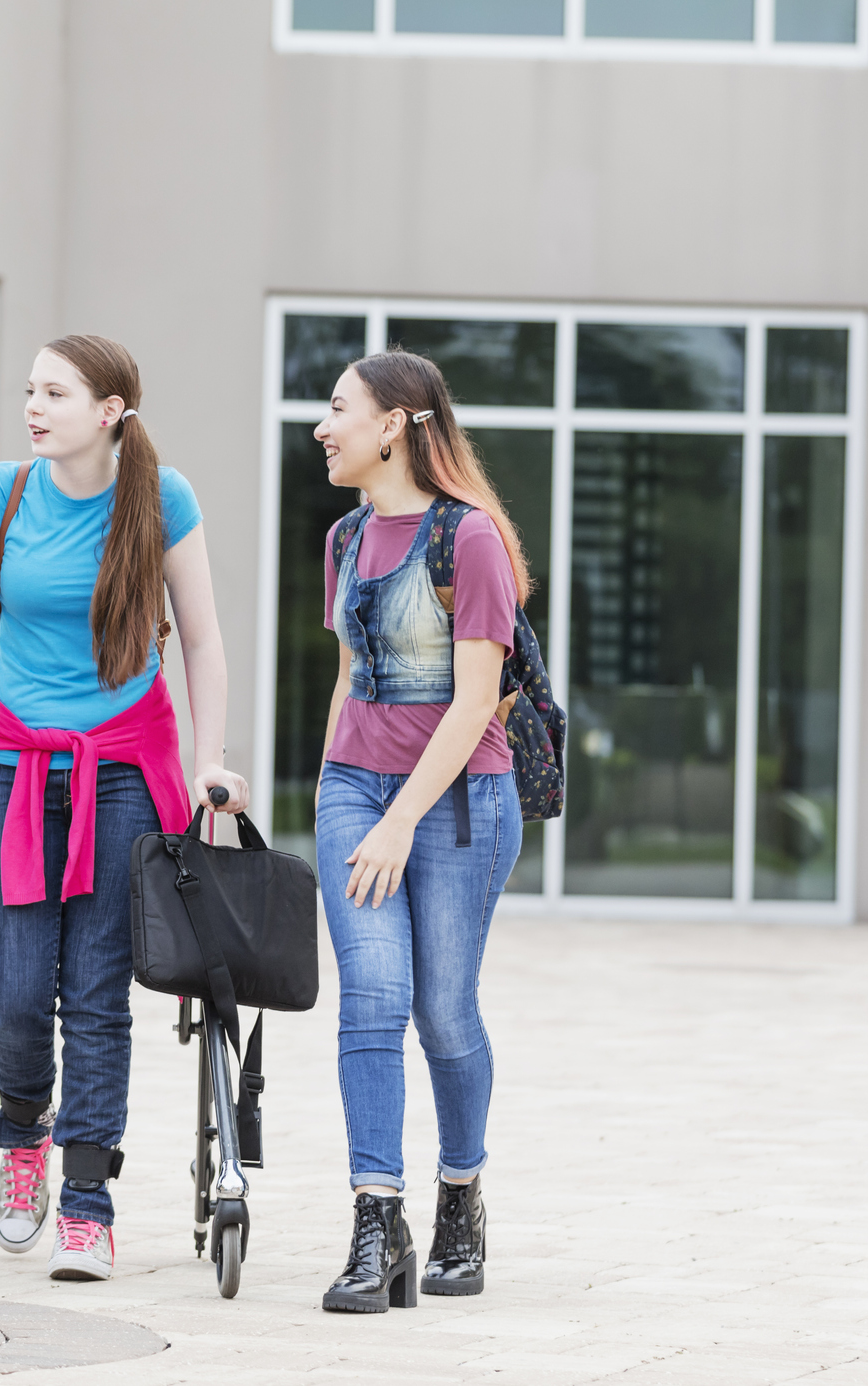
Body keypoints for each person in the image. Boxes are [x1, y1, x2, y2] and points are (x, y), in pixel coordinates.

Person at [0, 334, 247, 1282]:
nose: (34, 407)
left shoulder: (163, 500)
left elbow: (200, 641)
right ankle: (23, 1132)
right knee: (12, 992)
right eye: (30, 390)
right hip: (10, 766)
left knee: (95, 995)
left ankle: (87, 1204)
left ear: (110, 409)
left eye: (56, 393)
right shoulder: (2, 493)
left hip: (124, 768)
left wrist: (211, 763)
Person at [311, 349, 530, 1313]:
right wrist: (332, 789)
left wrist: (400, 819)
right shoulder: (345, 538)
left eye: (339, 409)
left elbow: (477, 698)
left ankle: (459, 1196)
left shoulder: (469, 539)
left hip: (458, 806)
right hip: (357, 794)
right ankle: (376, 1219)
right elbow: (349, 676)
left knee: (442, 1013)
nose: (324, 427)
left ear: (395, 423)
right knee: (371, 999)